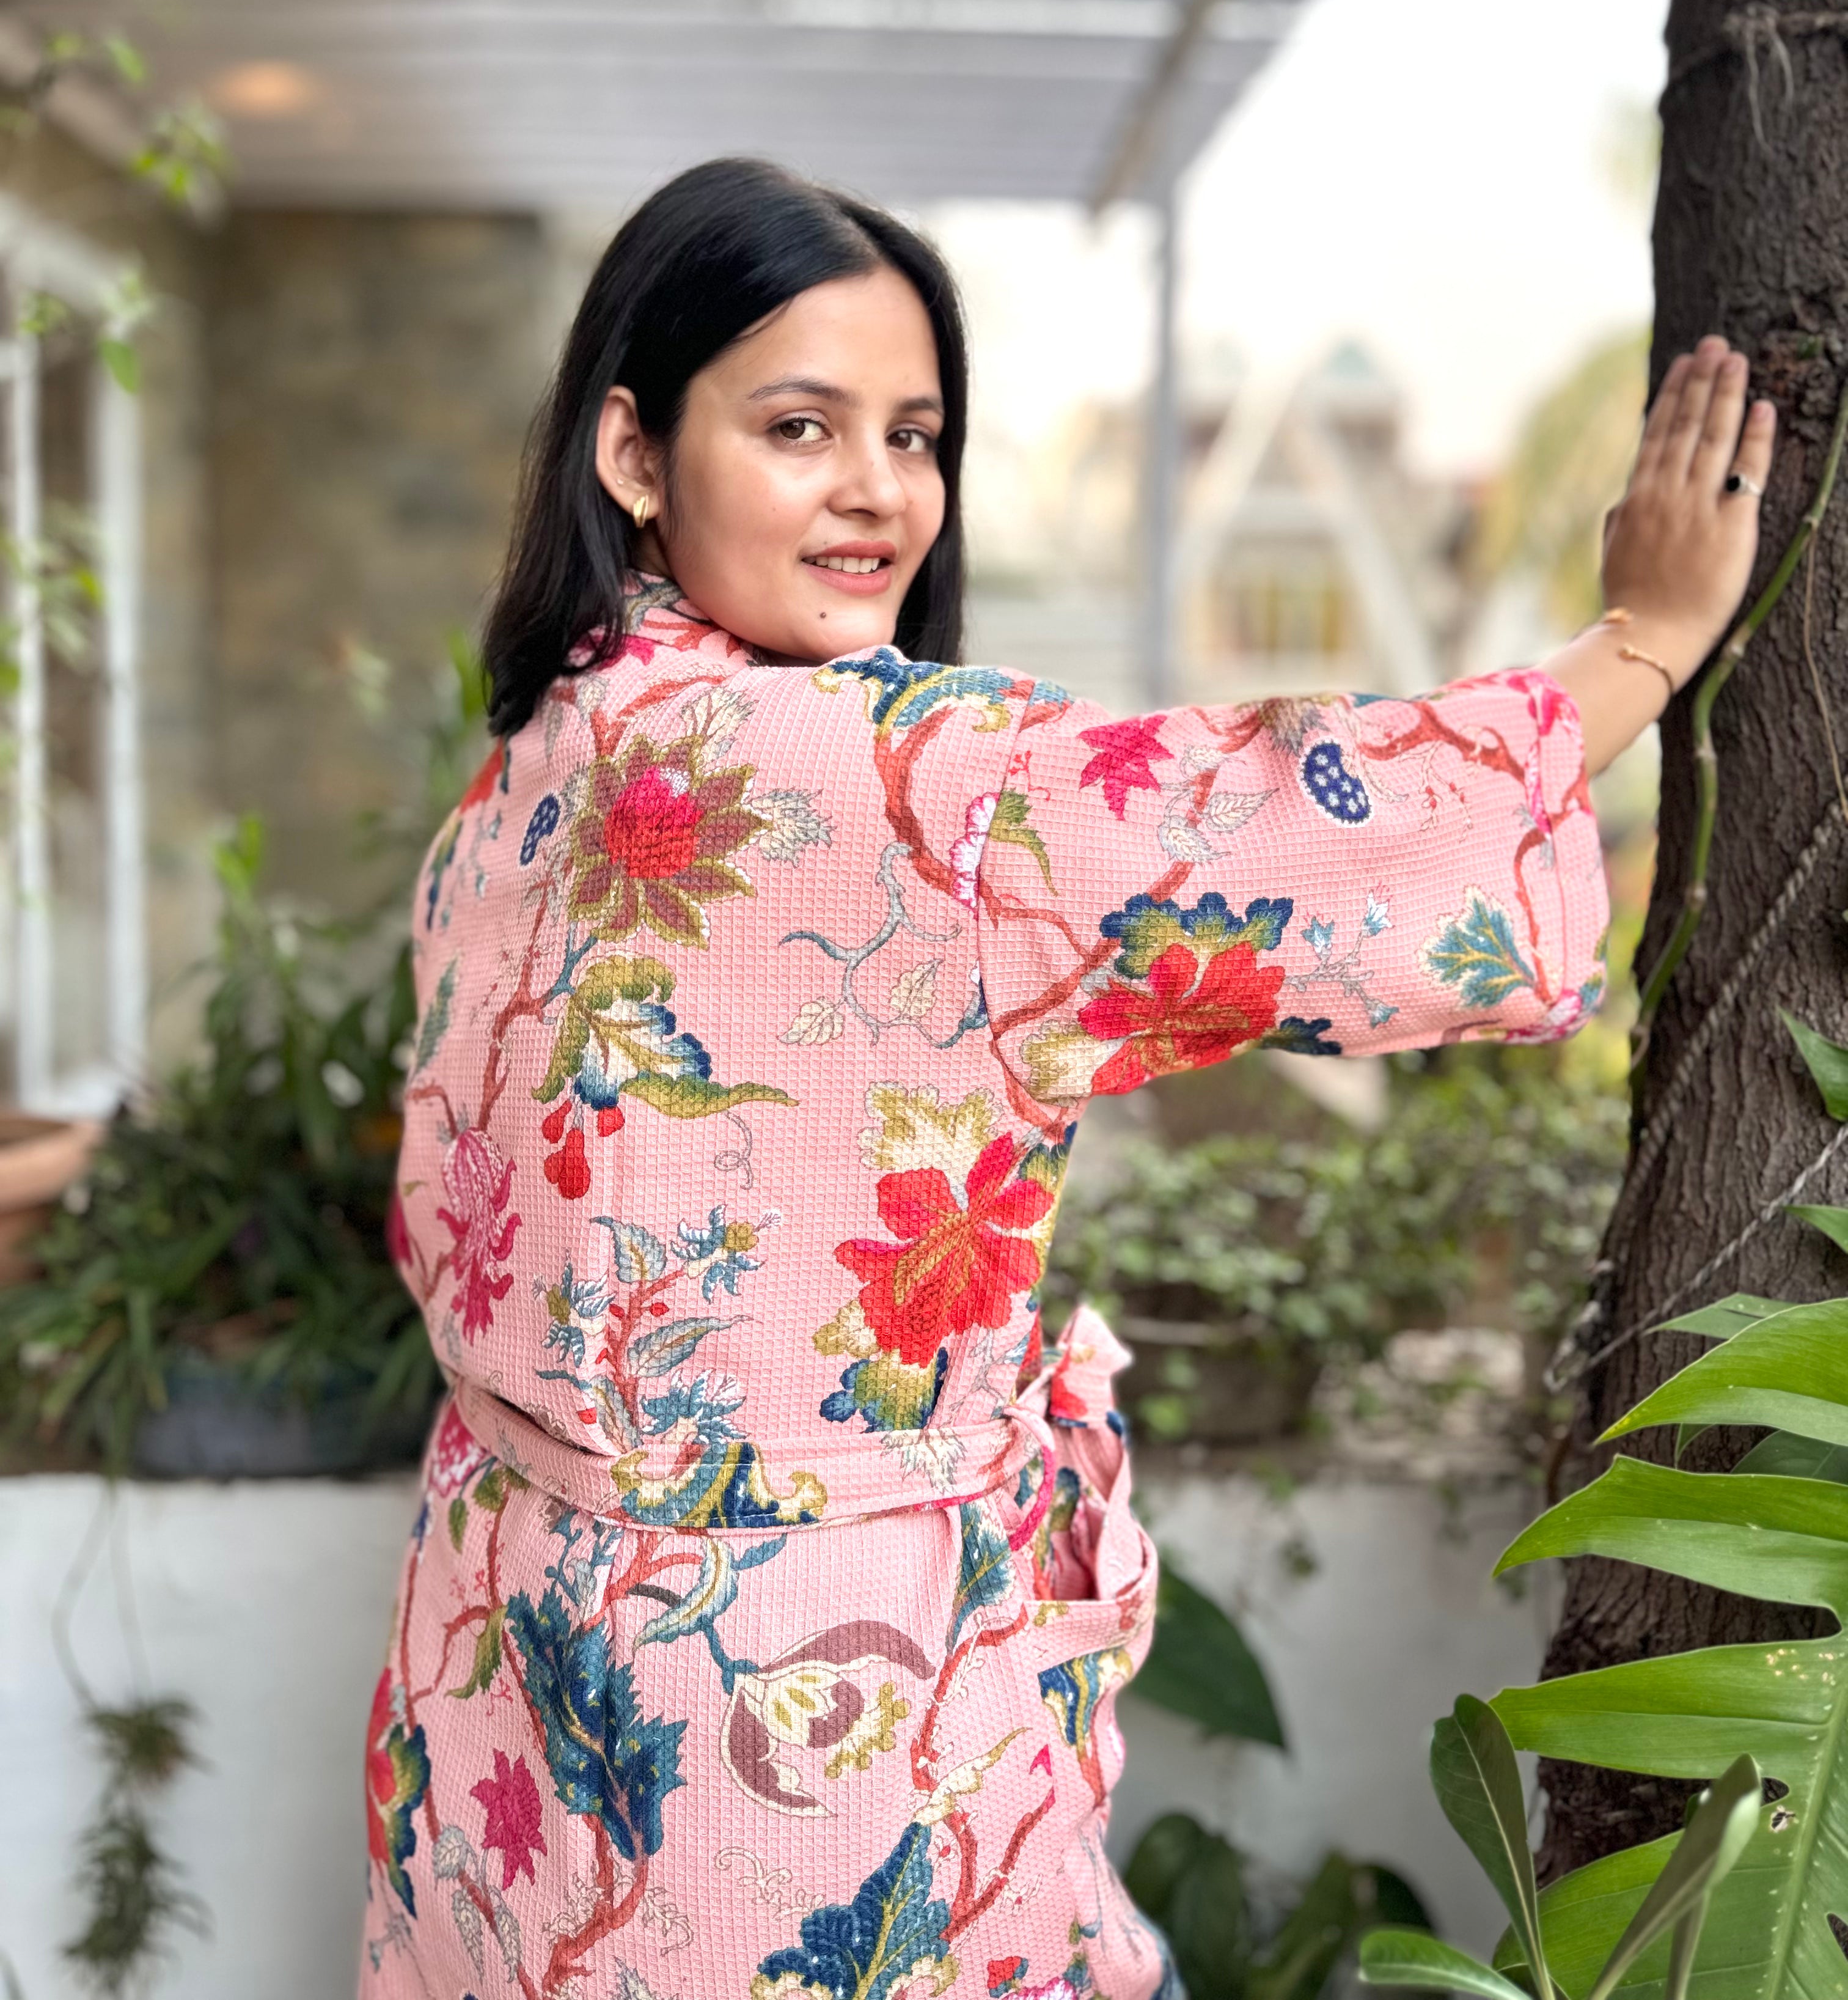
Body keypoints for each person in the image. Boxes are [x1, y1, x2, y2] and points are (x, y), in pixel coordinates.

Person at [359, 157, 1773, 1999]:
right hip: (794, 1716)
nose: (877, 490)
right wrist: (1645, 643)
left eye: (915, 434)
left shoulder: (527, 770)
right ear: (634, 451)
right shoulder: (901, 780)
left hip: (501, 1668)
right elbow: (1276, 835)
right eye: (801, 427)